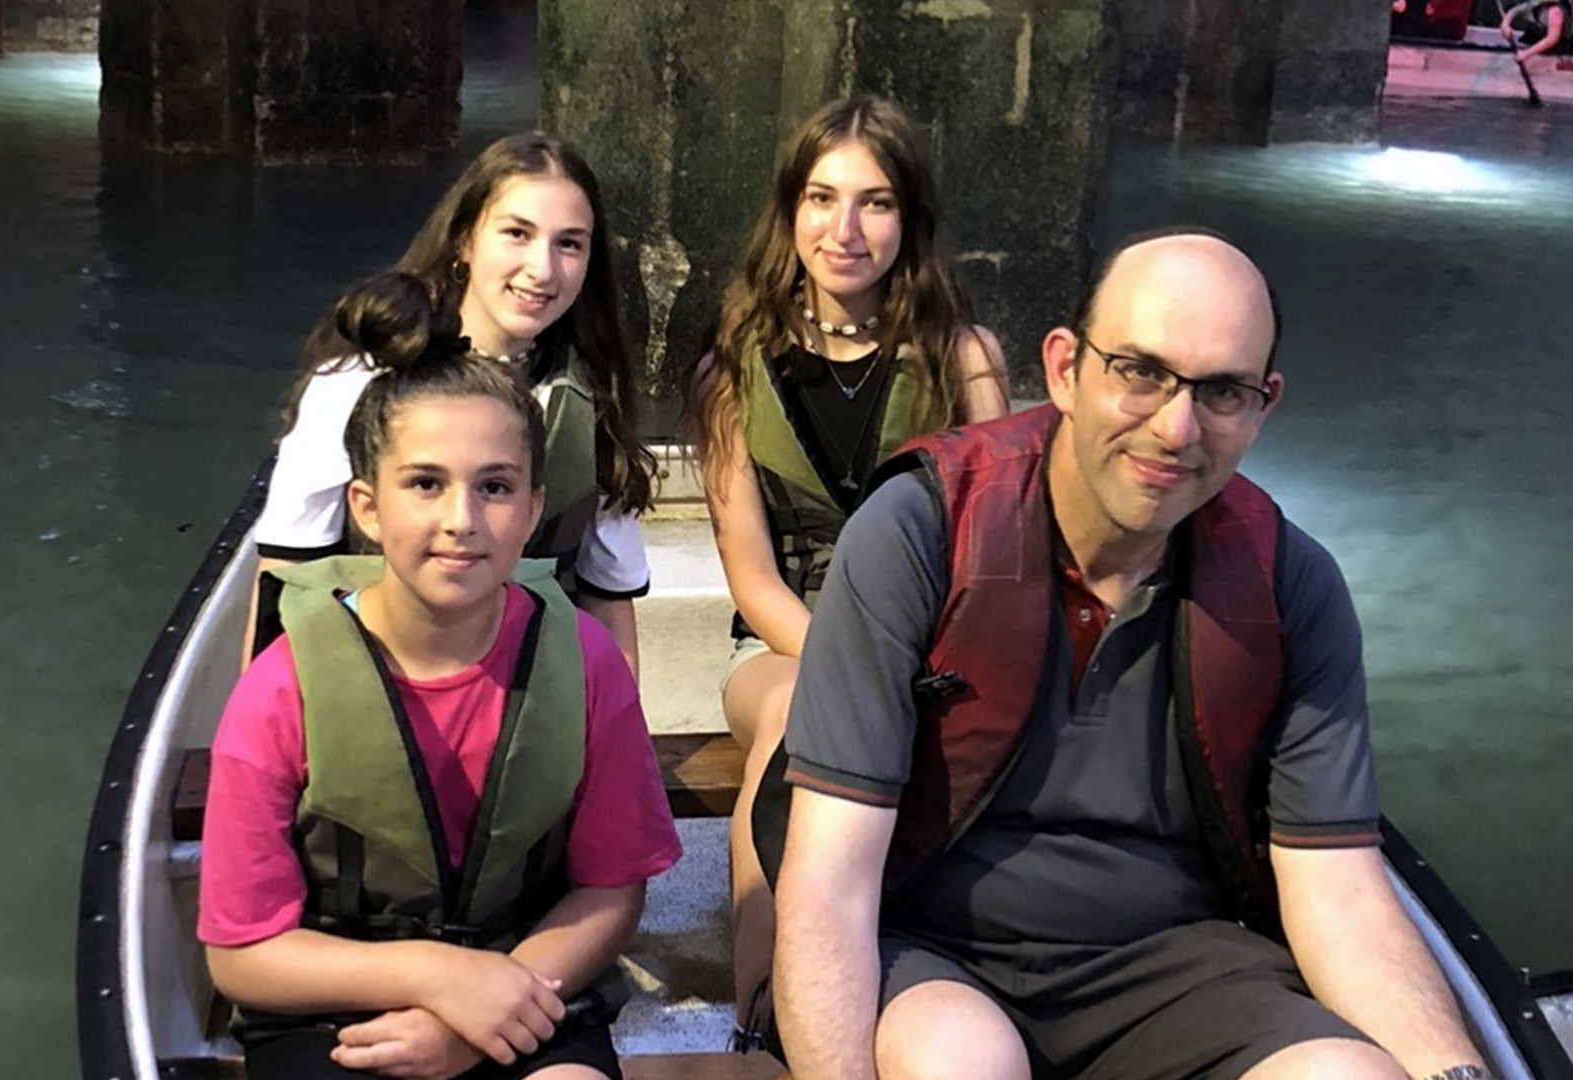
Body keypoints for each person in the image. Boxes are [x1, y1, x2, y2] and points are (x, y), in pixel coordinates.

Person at [764, 229, 1493, 1080]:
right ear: (1066, 369)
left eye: (1221, 391)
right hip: (936, 950)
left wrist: (1455, 1074)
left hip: (1179, 970)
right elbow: (831, 886)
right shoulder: (922, 531)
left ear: (1264, 407)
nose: (1176, 428)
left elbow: (1338, 891)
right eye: (1141, 372)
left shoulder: (1290, 585)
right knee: (959, 1062)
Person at [198, 311, 681, 1080]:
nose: (461, 520)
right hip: (338, 1004)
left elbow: (610, 892)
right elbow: (243, 950)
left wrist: (487, 1014)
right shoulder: (281, 689)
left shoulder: (584, 665)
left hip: (531, 980)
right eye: (425, 484)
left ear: (531, 510)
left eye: (494, 487)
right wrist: (440, 981)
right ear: (366, 506)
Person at [683, 93, 1010, 1029]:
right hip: (785, 649)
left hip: (935, 651)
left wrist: (914, 669)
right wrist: (855, 668)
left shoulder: (965, 361)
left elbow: (999, 554)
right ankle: (763, 1007)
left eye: (875, 202)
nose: (846, 228)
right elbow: (750, 578)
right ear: (791, 211)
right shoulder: (728, 370)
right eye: (822, 198)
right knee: (797, 713)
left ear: (910, 220)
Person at [255, 133, 655, 674]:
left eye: (570, 244)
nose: (542, 269)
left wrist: (622, 737)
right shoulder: (357, 382)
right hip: (377, 685)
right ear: (466, 240)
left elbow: (606, 601)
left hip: (527, 694)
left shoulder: (591, 402)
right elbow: (285, 579)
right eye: (517, 233)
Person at [1501, 0, 1573, 63]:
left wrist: (1526, 54)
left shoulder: (1555, 11)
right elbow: (1515, 10)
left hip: (1559, 54)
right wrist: (1505, 24)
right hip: (1537, 44)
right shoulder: (1538, 3)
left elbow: (1552, 39)